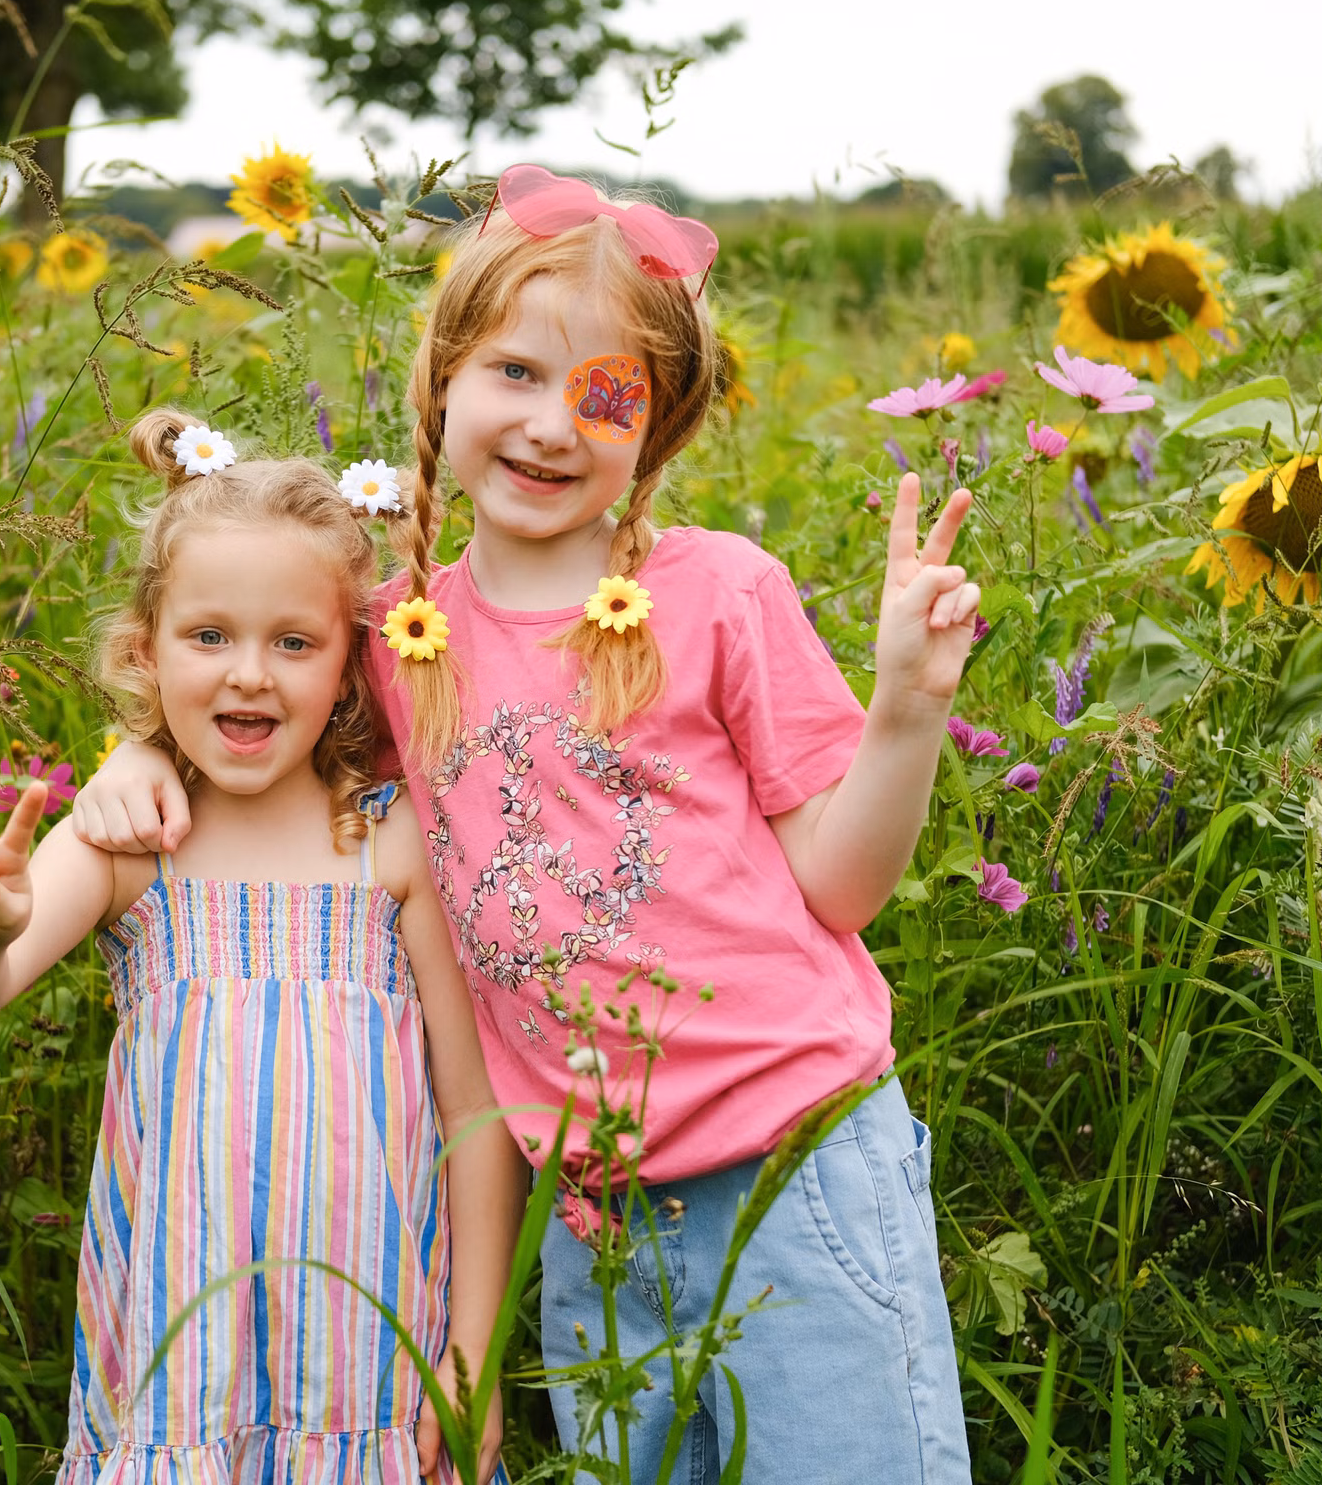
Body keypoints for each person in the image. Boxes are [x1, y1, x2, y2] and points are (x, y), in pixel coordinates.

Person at [70, 165, 978, 1481]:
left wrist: (904, 709)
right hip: (599, 1223)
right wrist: (132, 756)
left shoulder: (720, 591)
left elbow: (841, 892)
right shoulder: (395, 633)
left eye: (608, 394)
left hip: (798, 1172)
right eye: (515, 374)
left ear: (655, 431)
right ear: (442, 381)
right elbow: (252, 727)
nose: (557, 424)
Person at [0, 425, 519, 1485]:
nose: (250, 674)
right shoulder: (129, 846)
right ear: (145, 650)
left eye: (295, 642)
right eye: (208, 636)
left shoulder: (390, 845)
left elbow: (473, 1114)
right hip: (178, 1378)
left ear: (348, 668)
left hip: (373, 1375)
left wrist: (473, 1350)